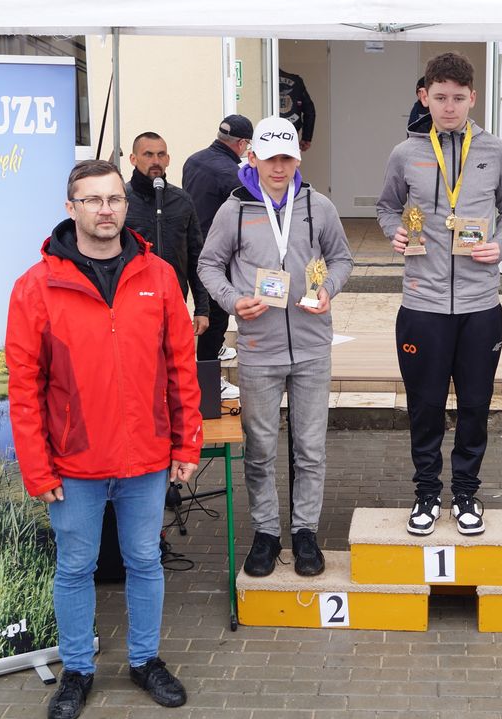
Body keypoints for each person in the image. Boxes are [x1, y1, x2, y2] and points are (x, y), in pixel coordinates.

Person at [7, 160, 203, 718]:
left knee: (144, 560)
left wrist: (186, 444)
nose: (105, 209)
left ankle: (145, 660)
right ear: (71, 208)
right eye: (92, 200)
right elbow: (24, 387)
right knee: (75, 567)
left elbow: (180, 367)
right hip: (74, 462)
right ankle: (77, 669)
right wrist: (37, 468)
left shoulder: (158, 276)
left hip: (146, 457)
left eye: (114, 198)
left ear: (126, 204)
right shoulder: (36, 286)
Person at [198, 116, 352, 578]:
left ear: (297, 159)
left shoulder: (318, 206)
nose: (279, 167)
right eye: (270, 159)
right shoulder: (234, 210)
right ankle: (266, 533)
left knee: (310, 449)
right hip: (258, 348)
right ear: (253, 158)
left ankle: (305, 532)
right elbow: (208, 265)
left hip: (311, 348)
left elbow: (342, 258)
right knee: (261, 448)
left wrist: (329, 289)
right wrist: (232, 300)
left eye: (287, 158)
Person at [376, 51, 502, 536]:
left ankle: (465, 494)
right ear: (425, 97)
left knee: (476, 405)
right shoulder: (405, 153)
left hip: (481, 306)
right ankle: (425, 493)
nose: (449, 107)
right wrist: (395, 232)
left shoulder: (496, 152)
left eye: (458, 98)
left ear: (472, 97)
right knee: (425, 406)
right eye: (440, 97)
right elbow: (387, 207)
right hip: (423, 303)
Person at [182, 114, 254, 399]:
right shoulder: (230, 174)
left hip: (192, 245)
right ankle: (209, 380)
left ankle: (215, 350)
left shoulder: (193, 160)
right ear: (242, 143)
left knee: (206, 309)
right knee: (216, 315)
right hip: (216, 252)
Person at [124, 131, 210, 366]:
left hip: (174, 304)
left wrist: (202, 308)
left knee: (176, 367)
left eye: (161, 155)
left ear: (168, 159)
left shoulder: (182, 201)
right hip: (132, 307)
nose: (156, 161)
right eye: (148, 154)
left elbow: (196, 256)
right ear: (133, 159)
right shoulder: (122, 201)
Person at [279, 69, 315, 152]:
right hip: (290, 137)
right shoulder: (296, 81)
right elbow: (310, 111)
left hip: (267, 137)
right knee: (289, 159)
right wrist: (306, 138)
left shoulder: (263, 79)